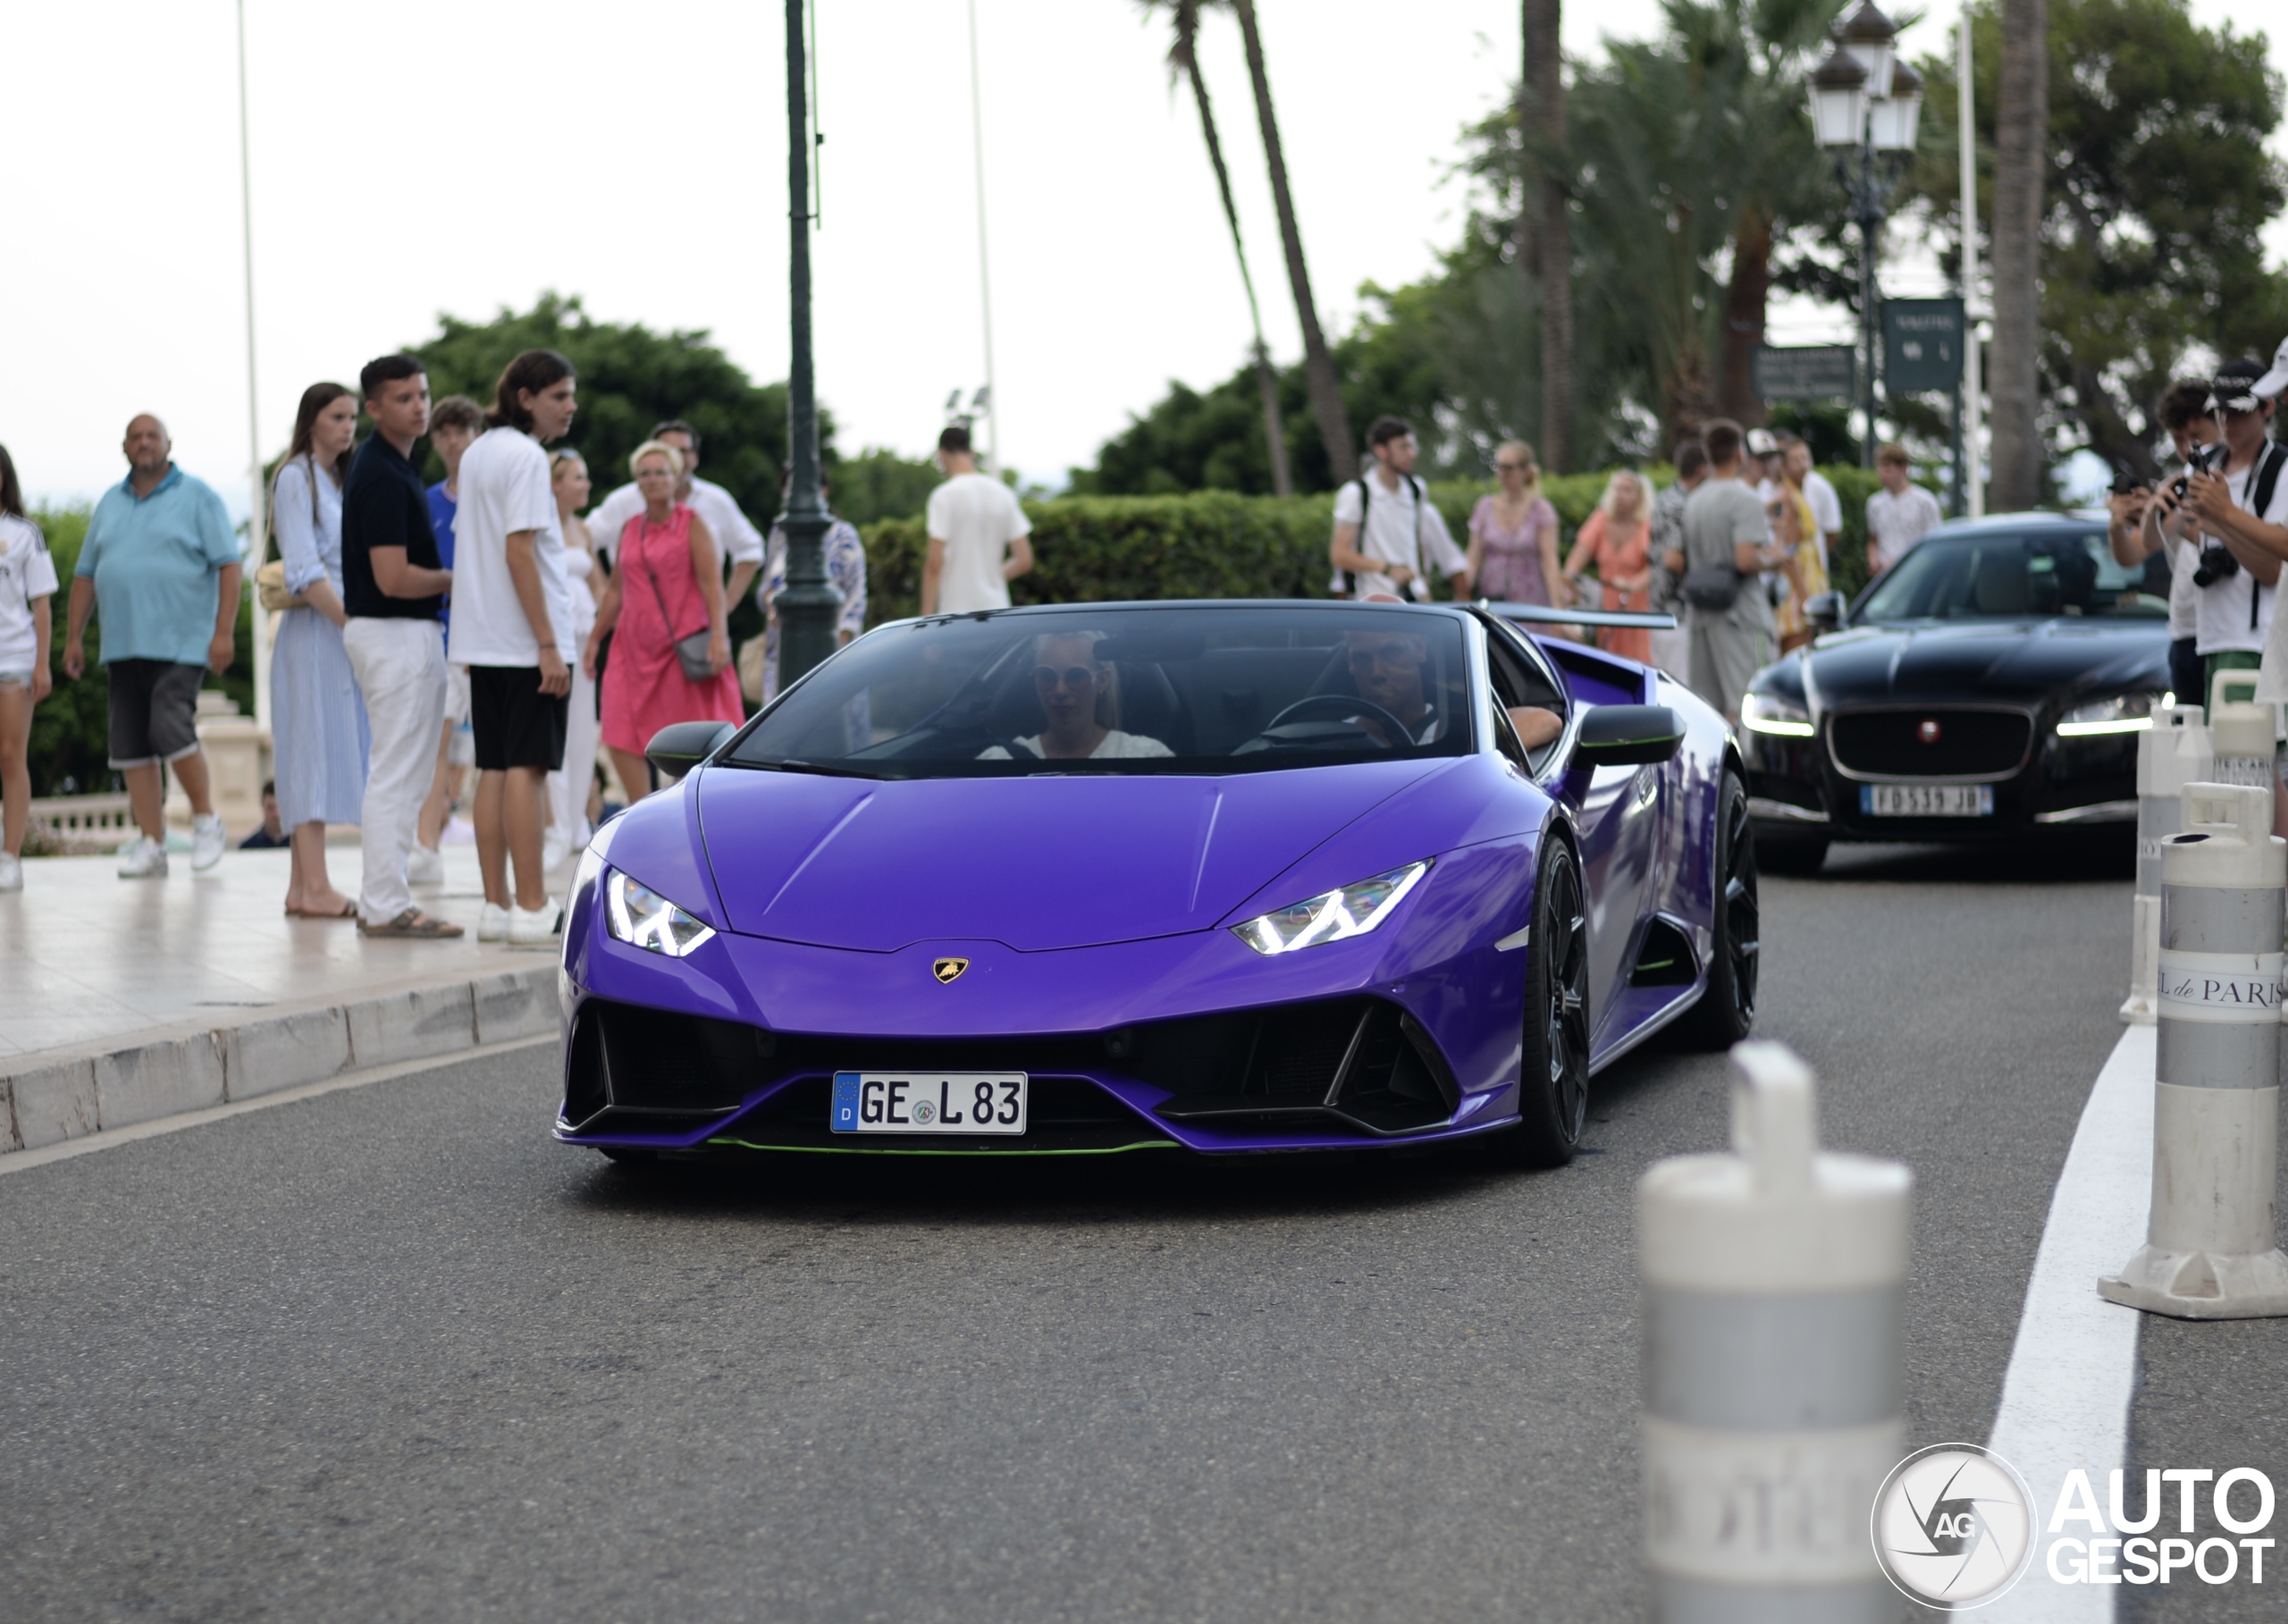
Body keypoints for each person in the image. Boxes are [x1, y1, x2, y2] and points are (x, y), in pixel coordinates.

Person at [62, 415, 240, 879]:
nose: (144, 443)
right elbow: (86, 573)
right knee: (131, 748)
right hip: (123, 644)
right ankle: (152, 843)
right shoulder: (109, 501)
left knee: (169, 725)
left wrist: (224, 631)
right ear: (125, 447)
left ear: (168, 444)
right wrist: (74, 637)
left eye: (152, 436)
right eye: (136, 437)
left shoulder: (198, 496)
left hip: (181, 641)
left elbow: (229, 564)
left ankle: (206, 821)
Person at [450, 349, 580, 946]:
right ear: (525, 397)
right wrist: (549, 644)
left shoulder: (477, 452)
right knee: (526, 771)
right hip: (527, 643)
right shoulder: (527, 456)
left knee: (495, 769)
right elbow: (519, 551)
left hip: (483, 637)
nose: (570, 406)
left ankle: (496, 907)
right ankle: (532, 908)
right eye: (559, 395)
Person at [340, 356, 460, 939]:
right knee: (395, 774)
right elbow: (391, 577)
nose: (419, 405)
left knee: (405, 775)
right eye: (404, 397)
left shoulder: (394, 464)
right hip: (393, 631)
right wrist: (455, 579)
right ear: (374, 408)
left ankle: (386, 899)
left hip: (399, 633)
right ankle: (384, 904)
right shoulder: (383, 472)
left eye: (423, 393)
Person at [583, 441, 741, 806]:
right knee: (619, 730)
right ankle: (642, 810)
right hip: (631, 646)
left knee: (686, 738)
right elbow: (615, 594)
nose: (653, 480)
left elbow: (711, 585)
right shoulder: (630, 528)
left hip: (680, 648)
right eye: (645, 474)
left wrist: (720, 636)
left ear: (676, 477)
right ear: (637, 482)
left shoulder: (692, 524)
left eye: (661, 472)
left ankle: (682, 811)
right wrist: (595, 640)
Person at [266, 382, 369, 919]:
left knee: (326, 750)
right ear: (312, 421)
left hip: (334, 631)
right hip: (314, 634)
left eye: (353, 416)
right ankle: (316, 887)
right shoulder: (294, 477)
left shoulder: (335, 478)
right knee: (309, 754)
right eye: (337, 416)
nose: (348, 425)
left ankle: (301, 888)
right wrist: (353, 625)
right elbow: (305, 570)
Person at [2149, 359, 2286, 716]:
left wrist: (2225, 518)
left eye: (2238, 412)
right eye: (2220, 411)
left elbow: (2273, 569)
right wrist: (2151, 512)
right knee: (2207, 764)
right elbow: (2156, 543)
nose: (2227, 422)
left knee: (2246, 764)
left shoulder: (2281, 469)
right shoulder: (2204, 463)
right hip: (2202, 637)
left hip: (2255, 642)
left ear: (2268, 406)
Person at [410, 393, 484, 887]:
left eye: (462, 431)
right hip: (442, 635)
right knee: (434, 743)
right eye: (445, 433)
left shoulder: (494, 494)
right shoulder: (427, 500)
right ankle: (427, 844)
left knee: (498, 753)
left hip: (492, 637)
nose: (454, 441)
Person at [2107, 383, 2216, 709]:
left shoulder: (2236, 480)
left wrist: (2180, 521)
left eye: (2195, 437)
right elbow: (2135, 553)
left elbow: (2233, 546)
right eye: (2178, 439)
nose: (2187, 449)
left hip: (2224, 633)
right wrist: (2120, 523)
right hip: (2183, 631)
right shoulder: (2178, 485)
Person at [585, 418, 765, 605]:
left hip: (699, 622)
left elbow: (750, 549)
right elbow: (583, 539)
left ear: (695, 458)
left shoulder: (715, 500)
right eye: (667, 450)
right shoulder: (622, 502)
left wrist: (726, 605)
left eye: (683, 451)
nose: (676, 457)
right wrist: (603, 595)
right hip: (638, 619)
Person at [1679, 419, 1789, 723]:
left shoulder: (1694, 500)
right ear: (1740, 454)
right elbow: (1745, 560)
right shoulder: (1745, 499)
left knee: (1710, 709)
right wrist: (1775, 558)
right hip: (1740, 615)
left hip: (1703, 615)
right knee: (1753, 701)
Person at [1339, 627, 1560, 751]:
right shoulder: (1330, 736)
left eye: (1391, 653)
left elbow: (1546, 720)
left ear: (1420, 649)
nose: (1376, 672)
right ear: (1349, 662)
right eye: (1362, 658)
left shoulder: (1451, 731)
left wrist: (1476, 748)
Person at [1331, 417, 1471, 602]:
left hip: (1414, 599)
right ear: (1381, 451)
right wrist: (1387, 568)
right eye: (1403, 447)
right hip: (1372, 601)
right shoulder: (1356, 493)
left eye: (1413, 447)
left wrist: (1423, 587)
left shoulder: (1416, 489)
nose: (1412, 454)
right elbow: (1339, 555)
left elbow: (1419, 545)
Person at [0, 443, 56, 893]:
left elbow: (41, 604)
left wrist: (43, 665)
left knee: (9, 755)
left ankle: (11, 856)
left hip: (13, 659)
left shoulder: (23, 534)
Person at [759, 470, 867, 702]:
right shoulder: (779, 533)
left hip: (832, 653)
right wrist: (772, 605)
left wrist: (839, 646)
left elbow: (856, 596)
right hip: (781, 650)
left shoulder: (844, 535)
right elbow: (766, 585)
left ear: (824, 491)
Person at [979, 632, 1173, 761]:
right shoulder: (999, 761)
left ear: (1103, 680)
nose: (1060, 691)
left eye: (1076, 676)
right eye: (1047, 676)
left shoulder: (1147, 757)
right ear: (1035, 682)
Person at [544, 448, 602, 871]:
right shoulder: (541, 527)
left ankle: (578, 819)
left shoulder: (584, 529)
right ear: (556, 483)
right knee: (555, 727)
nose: (585, 485)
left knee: (584, 729)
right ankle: (557, 822)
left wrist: (603, 631)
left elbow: (600, 585)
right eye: (578, 478)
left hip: (586, 639)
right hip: (552, 637)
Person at [922, 425, 1033, 615]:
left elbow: (934, 564)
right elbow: (1024, 560)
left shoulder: (944, 496)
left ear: (941, 454)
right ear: (971, 452)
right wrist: (991, 579)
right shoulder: (1003, 493)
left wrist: (925, 617)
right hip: (998, 609)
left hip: (956, 611)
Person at [1561, 471, 1656, 664]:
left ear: (1640, 496)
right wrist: (1568, 585)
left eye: (1627, 490)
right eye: (1617, 489)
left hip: (1638, 608)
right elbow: (1578, 557)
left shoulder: (1647, 525)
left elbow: (1655, 567)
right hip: (1606, 606)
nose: (1620, 495)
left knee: (1639, 661)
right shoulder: (1601, 520)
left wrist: (1632, 584)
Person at [1466, 441, 1561, 607]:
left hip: (1530, 602)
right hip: (1492, 599)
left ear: (1525, 471)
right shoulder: (1485, 507)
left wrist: (1558, 607)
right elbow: (1473, 557)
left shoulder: (1541, 510)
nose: (1502, 473)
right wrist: (1463, 592)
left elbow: (1549, 561)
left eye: (1509, 468)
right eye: (1499, 467)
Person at [1650, 438, 1708, 677]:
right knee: (1679, 682)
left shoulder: (1665, 497)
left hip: (1658, 609)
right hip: (1676, 612)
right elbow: (1673, 559)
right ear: (1703, 469)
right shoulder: (1679, 505)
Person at [1770, 442, 1831, 654]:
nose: (1802, 465)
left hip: (1810, 572)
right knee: (1798, 645)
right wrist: (1804, 595)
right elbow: (1789, 548)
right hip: (1798, 579)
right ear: (1784, 467)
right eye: (1795, 460)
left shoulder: (1800, 493)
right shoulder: (1787, 497)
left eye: (1805, 458)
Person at [1864, 443, 1943, 575]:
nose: (1882, 474)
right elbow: (1873, 539)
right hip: (1886, 576)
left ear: (1903, 468)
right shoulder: (1874, 503)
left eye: (1888, 468)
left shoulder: (1925, 502)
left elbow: (1934, 543)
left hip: (1917, 574)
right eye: (1880, 468)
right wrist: (1873, 561)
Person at [240, 780, 288, 849]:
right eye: (271, 808)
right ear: (262, 805)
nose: (277, 814)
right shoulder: (248, 847)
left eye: (282, 807)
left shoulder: (300, 845)